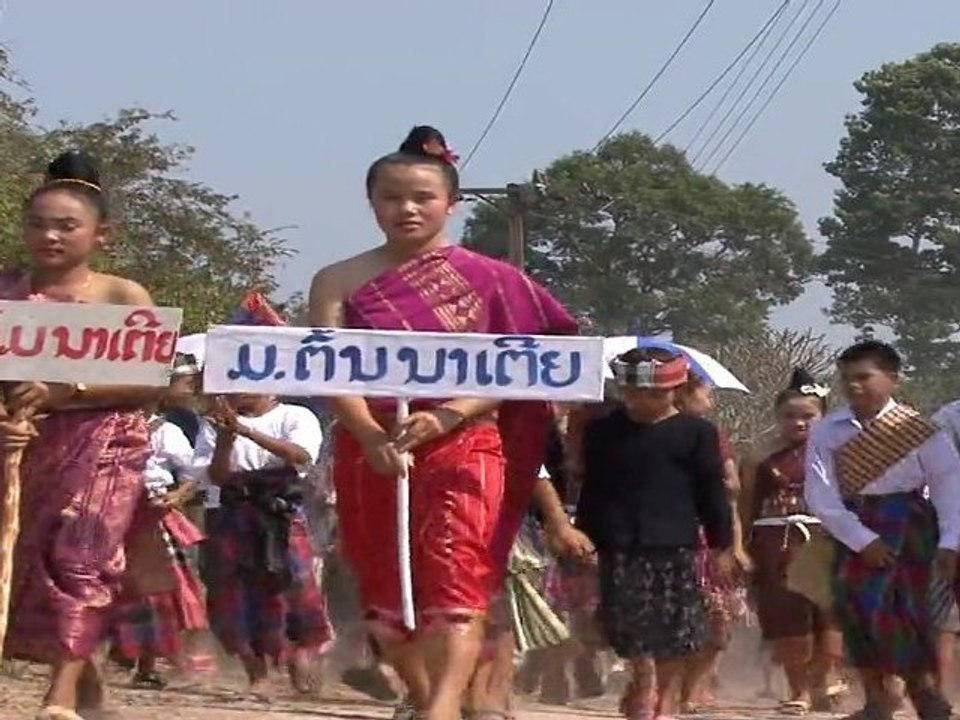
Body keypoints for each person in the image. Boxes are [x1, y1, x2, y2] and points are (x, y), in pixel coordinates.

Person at [309, 125, 576, 720]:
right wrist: (370, 435)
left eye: (422, 197)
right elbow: (330, 370)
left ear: (451, 203)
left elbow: (520, 365)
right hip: (371, 445)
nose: (407, 209)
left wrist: (452, 414)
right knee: (386, 585)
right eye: (391, 197)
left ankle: (443, 708)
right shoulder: (337, 280)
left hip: (466, 441)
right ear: (371, 203)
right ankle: (424, 695)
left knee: (458, 578)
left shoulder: (495, 280)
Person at [0, 151, 161, 720]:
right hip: (23, 448)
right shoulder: (6, 294)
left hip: (105, 447)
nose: (50, 236)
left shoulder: (123, 297)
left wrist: (69, 392)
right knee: (28, 561)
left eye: (66, 225)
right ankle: (83, 676)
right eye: (39, 224)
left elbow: (148, 385)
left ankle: (58, 698)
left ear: (100, 234)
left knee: (80, 558)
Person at [805, 340, 960, 720]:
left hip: (912, 524)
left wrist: (951, 542)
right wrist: (862, 540)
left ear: (892, 379)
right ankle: (875, 697)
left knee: (911, 610)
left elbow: (949, 487)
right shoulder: (826, 430)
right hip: (853, 524)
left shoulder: (919, 429)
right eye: (846, 379)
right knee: (859, 609)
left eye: (864, 377)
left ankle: (923, 692)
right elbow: (820, 495)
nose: (854, 386)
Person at [576, 348, 734, 720]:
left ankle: (662, 700)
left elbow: (711, 492)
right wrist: (584, 538)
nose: (643, 402)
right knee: (627, 624)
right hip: (618, 543)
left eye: (654, 394)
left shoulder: (697, 432)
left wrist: (721, 545)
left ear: (674, 389)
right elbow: (593, 490)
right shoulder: (602, 432)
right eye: (635, 394)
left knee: (673, 628)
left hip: (674, 542)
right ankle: (642, 682)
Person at [195, 393, 333, 697]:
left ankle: (301, 650)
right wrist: (226, 438)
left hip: (280, 512)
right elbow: (216, 476)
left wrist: (246, 431)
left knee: (295, 585)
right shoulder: (214, 424)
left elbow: (300, 457)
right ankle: (256, 673)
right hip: (232, 512)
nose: (237, 392)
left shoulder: (296, 416)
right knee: (234, 593)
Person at [742, 369, 843, 714]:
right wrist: (739, 547)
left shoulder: (841, 454)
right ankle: (798, 688)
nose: (798, 423)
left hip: (825, 541)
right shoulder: (760, 458)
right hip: (775, 545)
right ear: (777, 417)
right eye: (789, 416)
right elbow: (744, 507)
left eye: (807, 416)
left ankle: (825, 678)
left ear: (823, 417)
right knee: (787, 620)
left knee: (830, 618)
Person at [108, 354, 209, 687]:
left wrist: (178, 497)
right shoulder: (109, 424)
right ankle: (108, 655)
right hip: (111, 514)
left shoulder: (167, 431)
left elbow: (194, 473)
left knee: (156, 591)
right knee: (110, 586)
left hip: (151, 515)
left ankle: (151, 663)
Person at [673, 373, 748, 713]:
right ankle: (672, 690)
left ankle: (696, 688)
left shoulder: (713, 438)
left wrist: (735, 544)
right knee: (673, 619)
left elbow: (731, 490)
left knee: (717, 620)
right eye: (705, 393)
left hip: (709, 536)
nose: (711, 400)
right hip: (671, 535)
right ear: (683, 395)